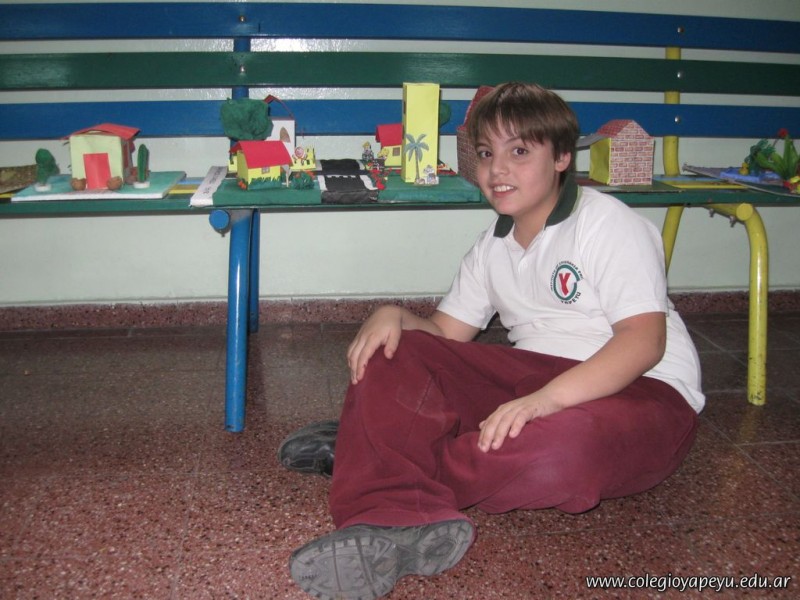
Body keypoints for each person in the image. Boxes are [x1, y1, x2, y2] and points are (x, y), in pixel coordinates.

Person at [282, 82, 704, 600]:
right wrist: (393, 314)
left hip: (644, 392)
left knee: (563, 455)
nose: (497, 169)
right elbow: (443, 338)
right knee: (395, 348)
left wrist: (544, 402)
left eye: (519, 151)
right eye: (486, 154)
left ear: (562, 157)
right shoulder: (491, 246)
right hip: (535, 376)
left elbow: (643, 342)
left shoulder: (607, 222)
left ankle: (376, 456)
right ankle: (384, 491)